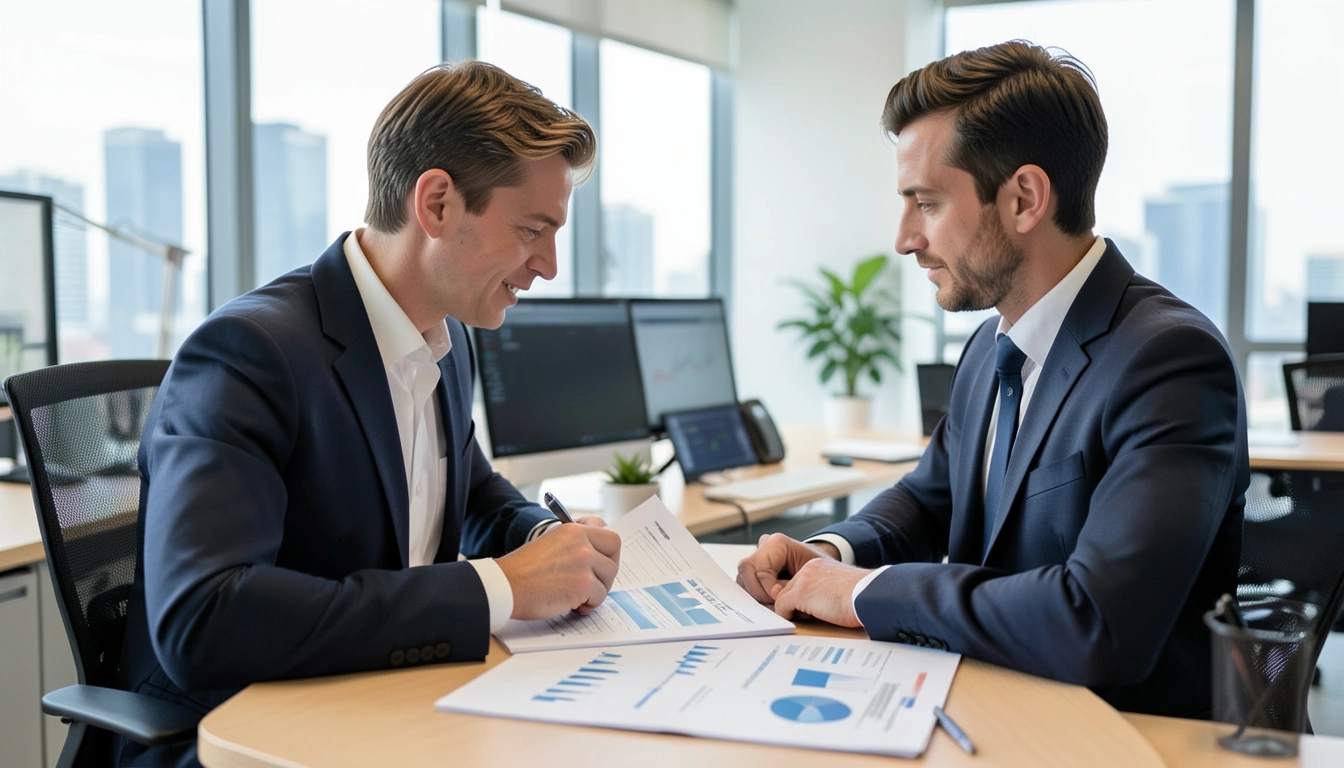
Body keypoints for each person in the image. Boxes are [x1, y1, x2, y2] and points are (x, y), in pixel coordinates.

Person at [117, 62, 616, 767]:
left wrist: (545, 539)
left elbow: (469, 492)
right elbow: (206, 617)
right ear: (437, 203)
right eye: (533, 229)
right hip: (244, 737)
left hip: (386, 702)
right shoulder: (249, 354)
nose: (549, 265)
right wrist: (502, 585)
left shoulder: (447, 339)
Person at [737, 40, 1247, 719]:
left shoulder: (1168, 361)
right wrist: (828, 553)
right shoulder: (990, 345)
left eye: (926, 203)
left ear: (1024, 199)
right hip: (993, 703)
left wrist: (860, 592)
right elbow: (928, 499)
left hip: (1123, 735)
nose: (904, 237)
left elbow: (1099, 624)